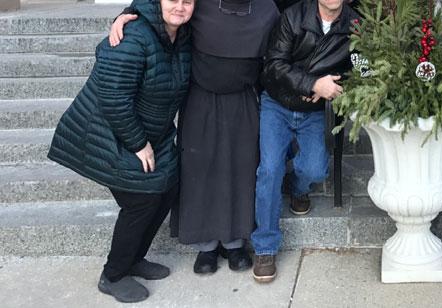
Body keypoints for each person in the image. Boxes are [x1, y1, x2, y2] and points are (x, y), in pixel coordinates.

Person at [109, 0, 282, 275]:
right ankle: (207, 246)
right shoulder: (195, 2)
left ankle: (235, 242)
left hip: (244, 99)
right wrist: (127, 14)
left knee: (242, 168)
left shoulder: (268, 9)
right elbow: (159, 5)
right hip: (200, 97)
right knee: (200, 169)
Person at [47, 0, 194, 302]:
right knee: (140, 199)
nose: (180, 7)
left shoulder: (181, 36)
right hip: (108, 131)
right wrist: (138, 143)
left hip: (153, 131)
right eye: (173, 0)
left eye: (188, 1)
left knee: (168, 189)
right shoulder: (132, 37)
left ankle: (134, 259)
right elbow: (114, 98)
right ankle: (113, 275)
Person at [252, 0, 359, 283]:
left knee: (315, 170)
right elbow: (273, 64)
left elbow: (363, 70)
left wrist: (333, 87)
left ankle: (297, 188)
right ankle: (265, 246)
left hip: (313, 111)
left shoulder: (356, 24)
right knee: (270, 169)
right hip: (278, 102)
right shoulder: (293, 16)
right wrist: (311, 83)